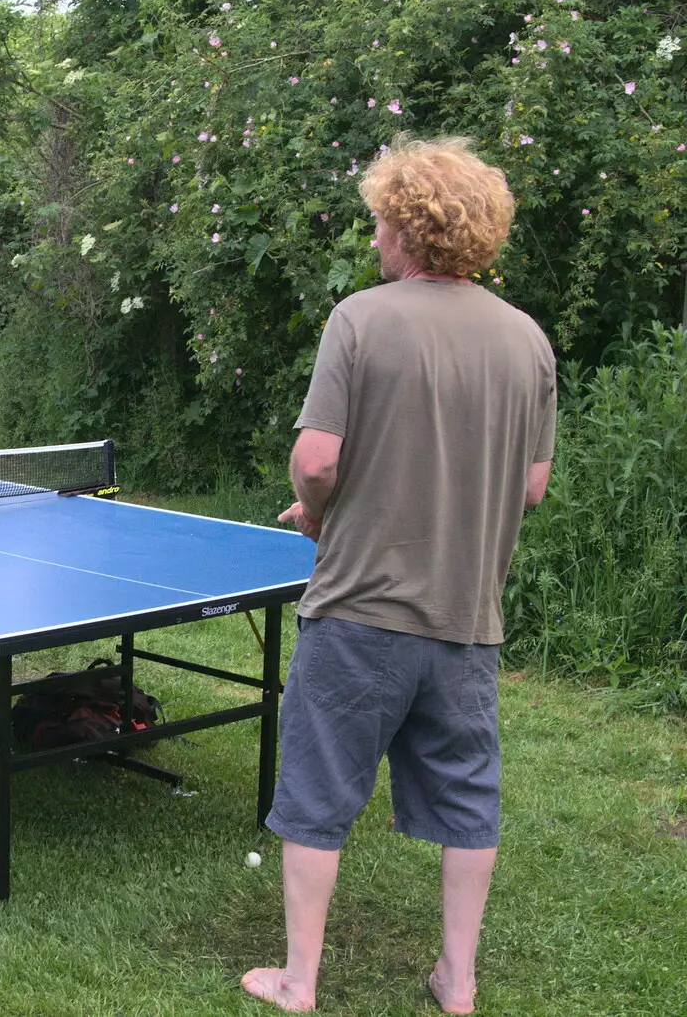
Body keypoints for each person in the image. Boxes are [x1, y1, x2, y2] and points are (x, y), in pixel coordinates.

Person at [243, 136, 557, 1015]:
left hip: (358, 615)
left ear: (408, 225)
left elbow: (315, 461)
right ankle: (457, 979)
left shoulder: (361, 318)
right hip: (468, 623)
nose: (376, 233)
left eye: (381, 218)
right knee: (468, 800)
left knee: (317, 795)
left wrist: (315, 509)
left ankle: (299, 980)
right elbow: (531, 488)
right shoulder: (528, 342)